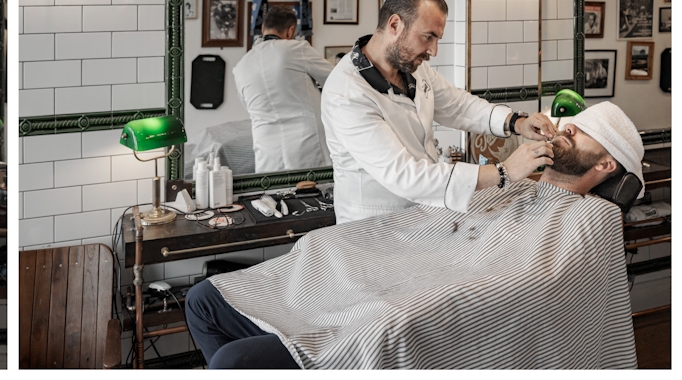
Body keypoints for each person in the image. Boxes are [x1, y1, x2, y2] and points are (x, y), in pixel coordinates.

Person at [186, 101, 643, 369]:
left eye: (581, 135)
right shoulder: (514, 182)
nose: (567, 130)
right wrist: (505, 170)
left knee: (234, 362)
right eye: (571, 123)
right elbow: (428, 222)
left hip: (409, 309)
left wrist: (415, 304)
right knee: (203, 298)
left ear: (605, 166)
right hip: (381, 280)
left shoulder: (593, 217)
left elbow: (536, 286)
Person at [320, 0, 558, 223]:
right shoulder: (347, 93)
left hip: (423, 214)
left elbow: (458, 105)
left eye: (437, 39)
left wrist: (517, 122)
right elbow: (404, 176)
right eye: (428, 37)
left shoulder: (412, 68)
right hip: (373, 225)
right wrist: (503, 172)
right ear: (395, 25)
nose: (433, 51)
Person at [232, 5, 337, 172]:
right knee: (313, 193)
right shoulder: (296, 48)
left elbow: (248, 105)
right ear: (291, 31)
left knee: (273, 194)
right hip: (306, 142)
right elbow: (335, 79)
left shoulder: (241, 66)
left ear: (263, 28)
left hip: (266, 146)